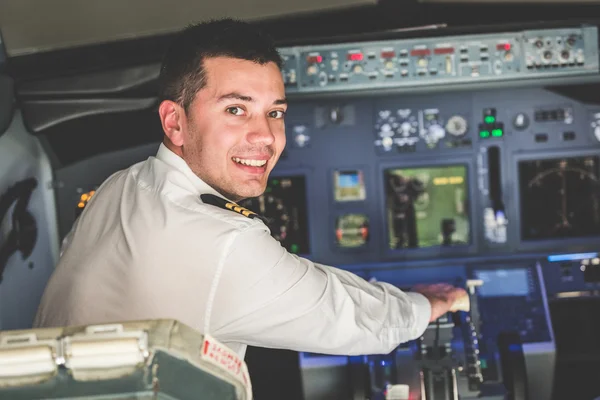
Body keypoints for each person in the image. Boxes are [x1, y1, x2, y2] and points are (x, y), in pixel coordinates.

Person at [34, 18, 467, 358]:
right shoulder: (223, 240)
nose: (265, 136)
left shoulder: (121, 186)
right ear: (175, 121)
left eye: (274, 113)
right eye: (236, 109)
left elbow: (305, 283)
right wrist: (425, 306)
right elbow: (354, 322)